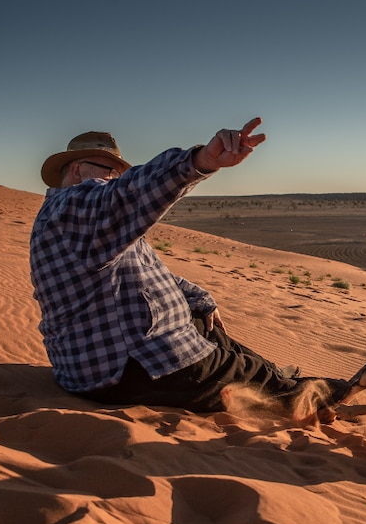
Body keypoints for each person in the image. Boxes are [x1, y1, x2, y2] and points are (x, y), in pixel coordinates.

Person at [30, 117, 346, 415]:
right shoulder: (76, 208)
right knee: (253, 376)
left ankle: (279, 375)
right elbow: (128, 194)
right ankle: (332, 397)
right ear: (77, 170)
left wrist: (198, 298)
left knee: (213, 332)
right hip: (130, 365)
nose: (116, 180)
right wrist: (201, 162)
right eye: (109, 172)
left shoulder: (86, 224)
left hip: (110, 356)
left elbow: (138, 270)